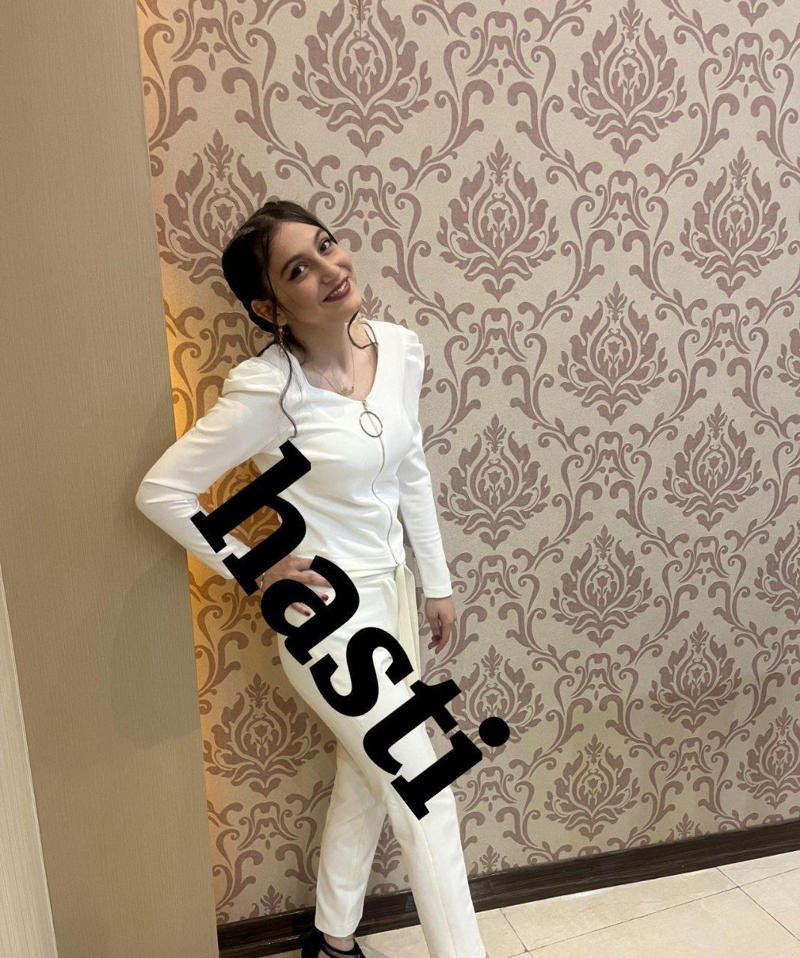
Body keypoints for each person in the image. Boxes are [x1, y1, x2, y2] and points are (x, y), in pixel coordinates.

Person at [134, 199, 488, 958]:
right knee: (425, 795)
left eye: (327, 246)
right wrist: (253, 564)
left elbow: (412, 469)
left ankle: (331, 941)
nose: (331, 268)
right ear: (270, 307)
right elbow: (161, 491)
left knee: (367, 779)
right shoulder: (269, 391)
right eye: (299, 268)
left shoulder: (398, 348)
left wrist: (436, 581)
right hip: (327, 619)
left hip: (395, 598)